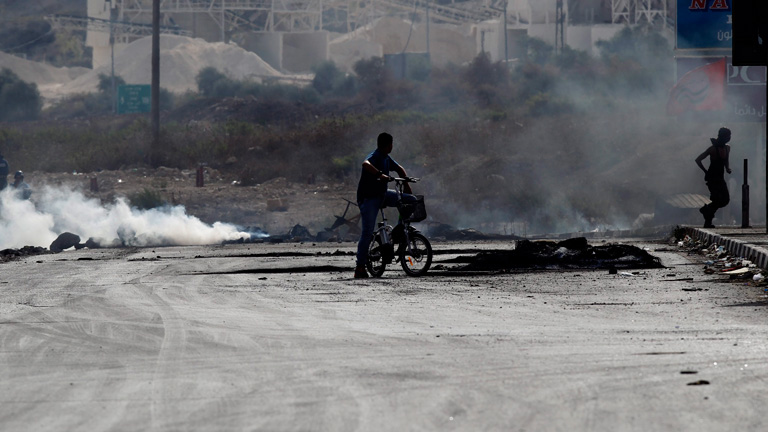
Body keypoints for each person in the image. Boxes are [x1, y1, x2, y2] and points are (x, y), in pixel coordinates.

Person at [354, 132, 416, 278]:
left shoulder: (387, 158)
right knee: (367, 232)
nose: (391, 146)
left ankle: (398, 231)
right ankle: (360, 267)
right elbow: (365, 164)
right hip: (369, 198)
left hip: (383, 195)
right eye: (391, 144)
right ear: (387, 144)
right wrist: (380, 175)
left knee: (411, 200)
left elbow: (400, 169)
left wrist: (406, 184)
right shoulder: (375, 156)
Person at [695, 127, 732, 228]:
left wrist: (727, 168)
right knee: (717, 199)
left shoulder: (727, 148)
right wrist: (705, 171)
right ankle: (708, 222)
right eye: (727, 136)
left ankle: (706, 210)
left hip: (720, 177)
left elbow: (726, 160)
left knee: (725, 200)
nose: (728, 138)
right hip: (712, 177)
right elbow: (698, 159)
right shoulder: (712, 149)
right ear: (722, 137)